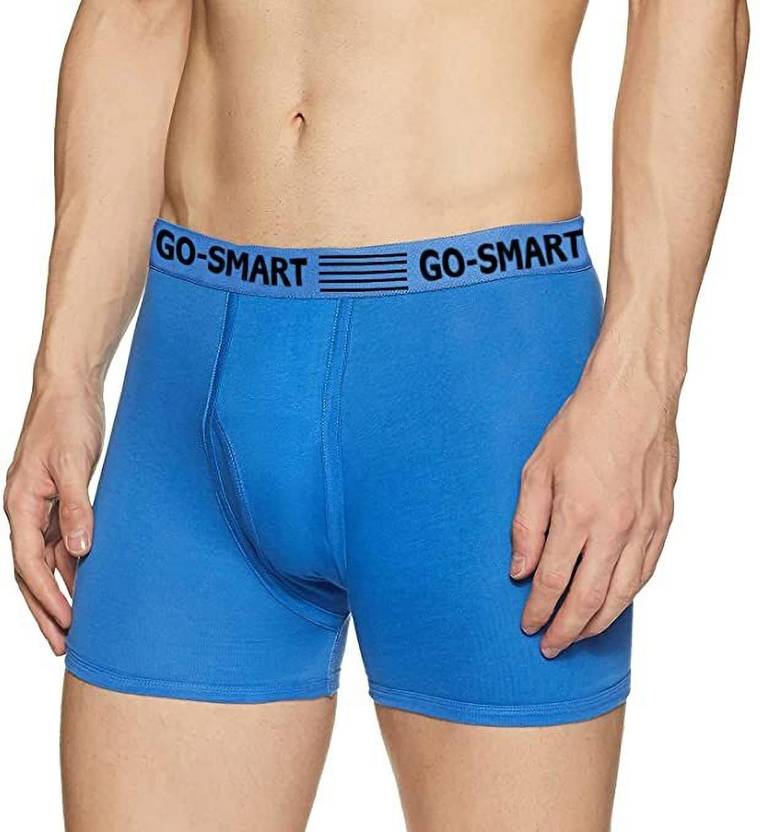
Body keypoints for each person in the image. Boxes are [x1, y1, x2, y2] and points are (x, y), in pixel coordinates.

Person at [4, 1, 749, 830]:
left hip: (478, 388)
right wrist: (64, 372)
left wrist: (640, 386)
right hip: (189, 393)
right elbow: (135, 15)